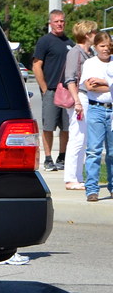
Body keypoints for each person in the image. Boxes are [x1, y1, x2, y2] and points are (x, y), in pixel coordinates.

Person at [32, 10, 75, 176]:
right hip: (51, 90)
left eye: (62, 21)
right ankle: (48, 158)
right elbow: (36, 65)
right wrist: (44, 89)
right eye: (56, 21)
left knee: (66, 127)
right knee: (48, 126)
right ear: (50, 23)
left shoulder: (69, 42)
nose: (60, 24)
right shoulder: (45, 41)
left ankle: (62, 157)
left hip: (68, 91)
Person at [62, 20, 97, 191]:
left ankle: (78, 176)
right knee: (77, 137)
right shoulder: (74, 53)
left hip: (87, 97)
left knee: (83, 139)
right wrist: (76, 101)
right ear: (86, 34)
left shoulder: (90, 53)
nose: (96, 35)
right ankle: (70, 177)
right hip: (79, 98)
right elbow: (70, 79)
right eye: (94, 32)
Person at [81, 31, 113, 203]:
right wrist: (110, 85)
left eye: (108, 47)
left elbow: (98, 84)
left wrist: (102, 82)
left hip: (112, 109)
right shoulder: (90, 64)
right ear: (95, 47)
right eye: (102, 46)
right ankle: (92, 189)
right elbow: (90, 87)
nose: (106, 50)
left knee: (112, 152)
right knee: (94, 150)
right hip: (97, 109)